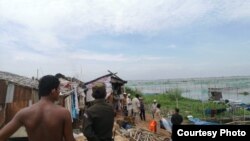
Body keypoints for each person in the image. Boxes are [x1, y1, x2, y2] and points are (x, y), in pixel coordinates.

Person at [0, 75, 75, 141]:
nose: (59, 92)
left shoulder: (24, 113)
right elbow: (70, 140)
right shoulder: (63, 113)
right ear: (53, 90)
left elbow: (1, 136)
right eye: (58, 89)